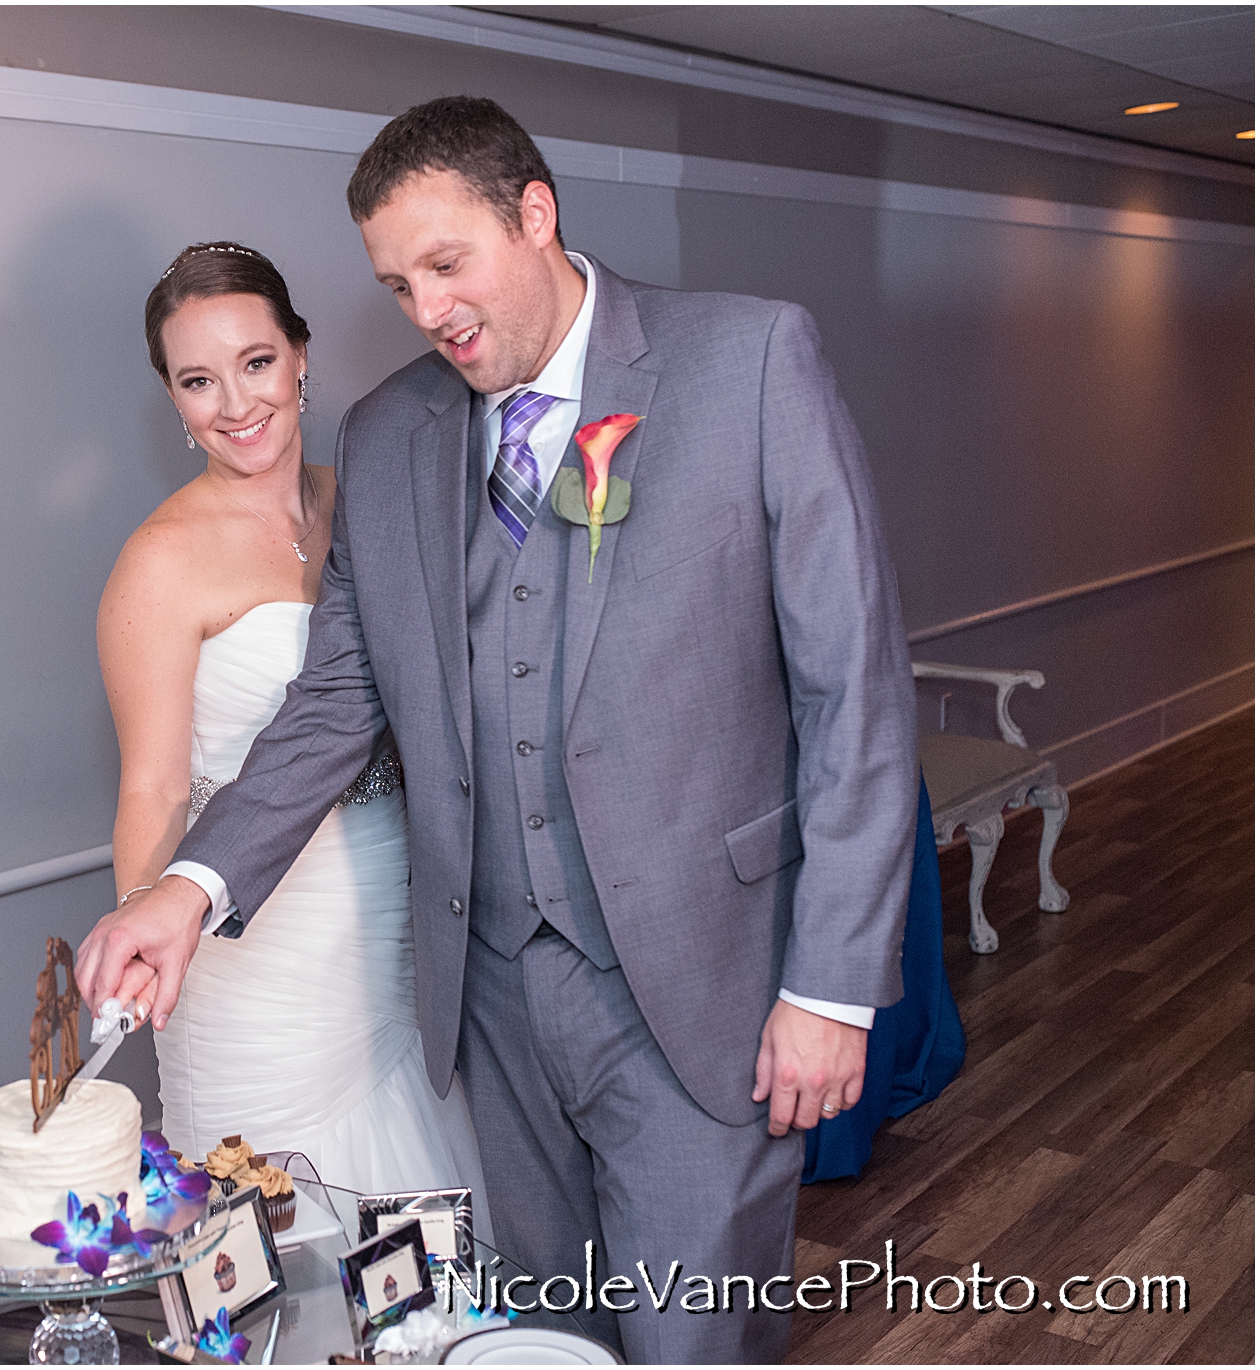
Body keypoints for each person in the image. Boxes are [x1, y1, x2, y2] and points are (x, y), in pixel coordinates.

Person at [80, 98, 918, 1363]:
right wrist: (190, 885)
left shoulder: (745, 361)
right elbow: (340, 692)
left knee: (691, 1340)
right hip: (493, 997)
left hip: (704, 990)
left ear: (534, 213)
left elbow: (850, 691)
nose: (425, 311)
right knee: (546, 1337)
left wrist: (830, 987)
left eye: (445, 264)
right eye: (395, 283)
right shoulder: (394, 432)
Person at [96, 241, 491, 1206]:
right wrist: (157, 926)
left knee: (425, 1189)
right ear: (173, 399)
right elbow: (149, 784)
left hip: (394, 910)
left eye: (256, 363)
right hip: (257, 947)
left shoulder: (365, 502)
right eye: (199, 381)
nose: (235, 405)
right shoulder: (160, 561)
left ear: (301, 356)